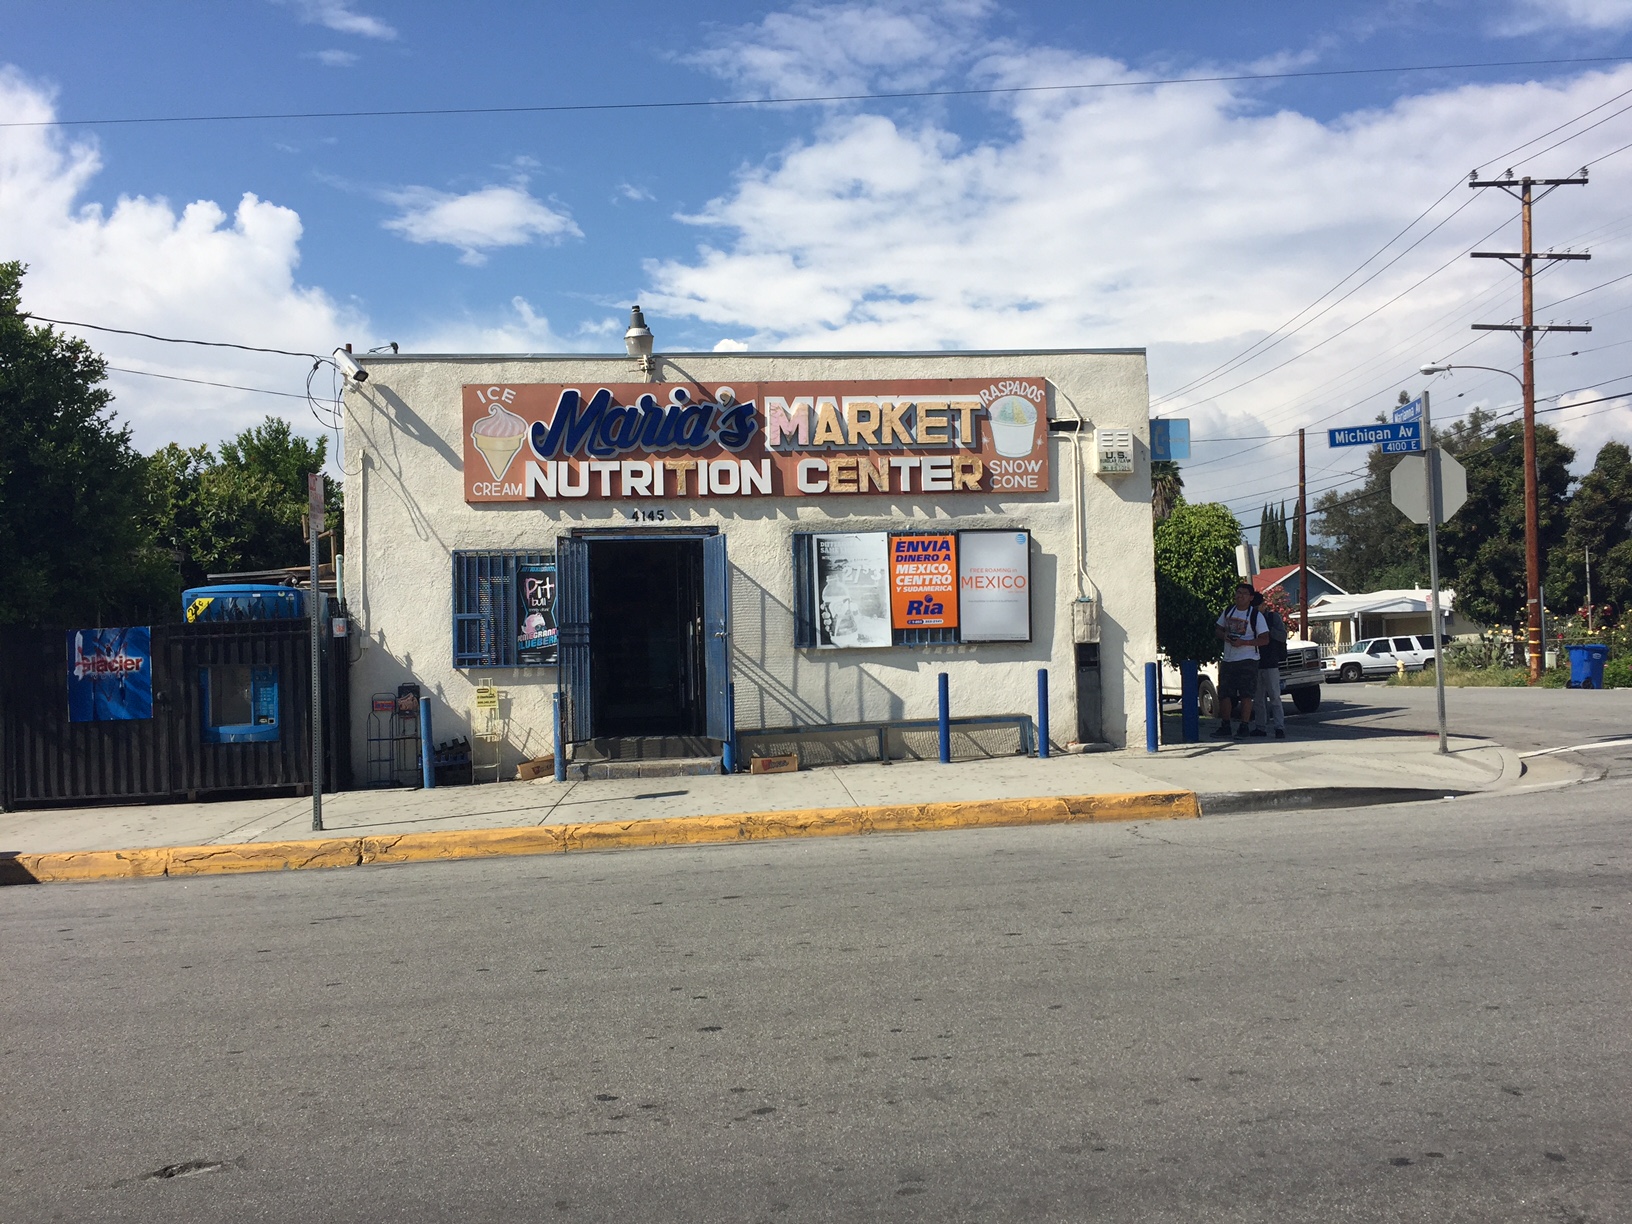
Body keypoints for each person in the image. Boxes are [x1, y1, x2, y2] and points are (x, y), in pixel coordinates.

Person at [1213, 582, 1268, 738]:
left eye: (1244, 593)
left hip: (1248, 659)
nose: (1239, 596)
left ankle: (1244, 726)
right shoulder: (1229, 611)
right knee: (1224, 694)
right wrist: (1225, 637)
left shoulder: (1255, 616)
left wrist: (1244, 642)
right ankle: (1225, 725)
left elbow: (1265, 639)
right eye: (1238, 592)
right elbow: (1218, 629)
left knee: (1245, 694)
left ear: (1250, 597)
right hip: (1229, 659)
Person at [1250, 590, 1288, 739]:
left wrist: (1266, 630)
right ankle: (1260, 727)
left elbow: (1282, 636)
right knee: (1258, 698)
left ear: (1263, 605)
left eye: (1257, 606)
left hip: (1271, 662)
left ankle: (1279, 727)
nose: (1254, 610)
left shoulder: (1273, 618)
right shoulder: (1250, 619)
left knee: (1275, 697)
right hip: (1256, 662)